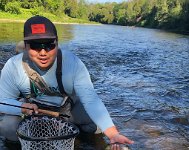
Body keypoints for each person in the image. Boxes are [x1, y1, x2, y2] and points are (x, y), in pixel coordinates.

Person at [0, 15, 133, 149]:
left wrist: (113, 134)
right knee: (8, 127)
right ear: (26, 46)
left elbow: (91, 100)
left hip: (67, 110)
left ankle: (80, 139)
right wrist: (21, 108)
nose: (42, 52)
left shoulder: (73, 63)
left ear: (57, 43)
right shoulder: (13, 66)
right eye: (35, 46)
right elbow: (2, 101)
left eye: (49, 45)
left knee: (94, 126)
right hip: (32, 115)